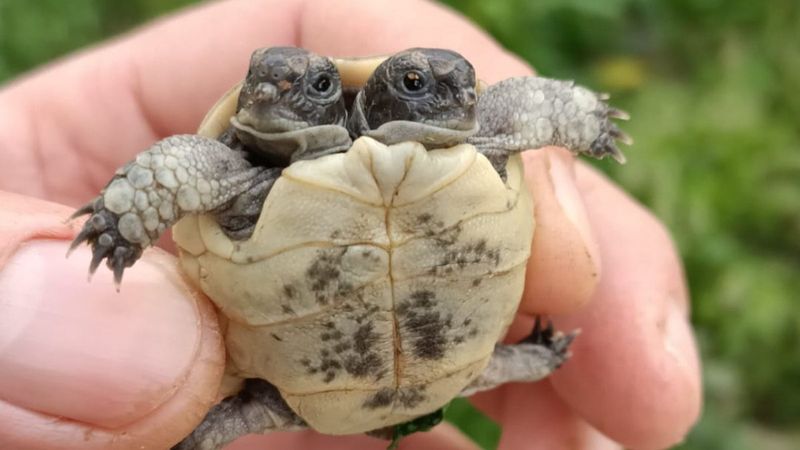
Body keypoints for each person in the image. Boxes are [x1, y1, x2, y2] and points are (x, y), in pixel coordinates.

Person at [0, 1, 701, 449]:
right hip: (287, 389)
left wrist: (581, 117)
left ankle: (522, 361)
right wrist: (122, 220)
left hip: (426, 368)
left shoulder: (478, 133)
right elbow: (175, 169)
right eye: (417, 85)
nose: (452, 97)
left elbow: (518, 103)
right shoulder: (240, 171)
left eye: (448, 87)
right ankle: (522, 362)